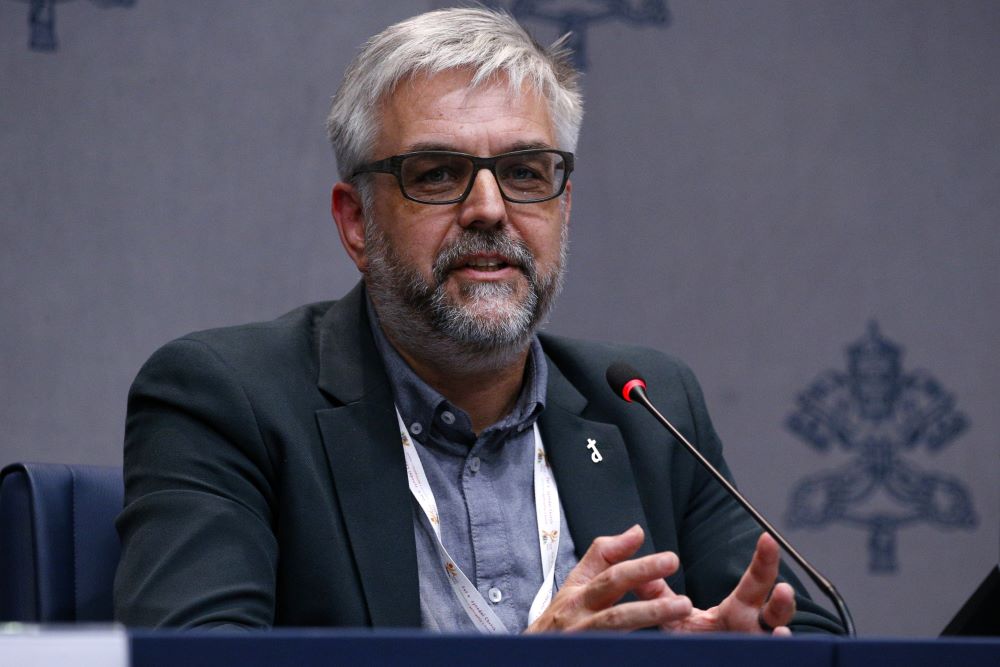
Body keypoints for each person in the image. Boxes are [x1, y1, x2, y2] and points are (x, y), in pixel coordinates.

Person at [114, 8, 844, 634]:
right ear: (357, 222)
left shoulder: (648, 406)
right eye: (436, 174)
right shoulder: (227, 400)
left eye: (527, 173)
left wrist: (760, 648)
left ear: (564, 206)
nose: (490, 209)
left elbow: (797, 622)